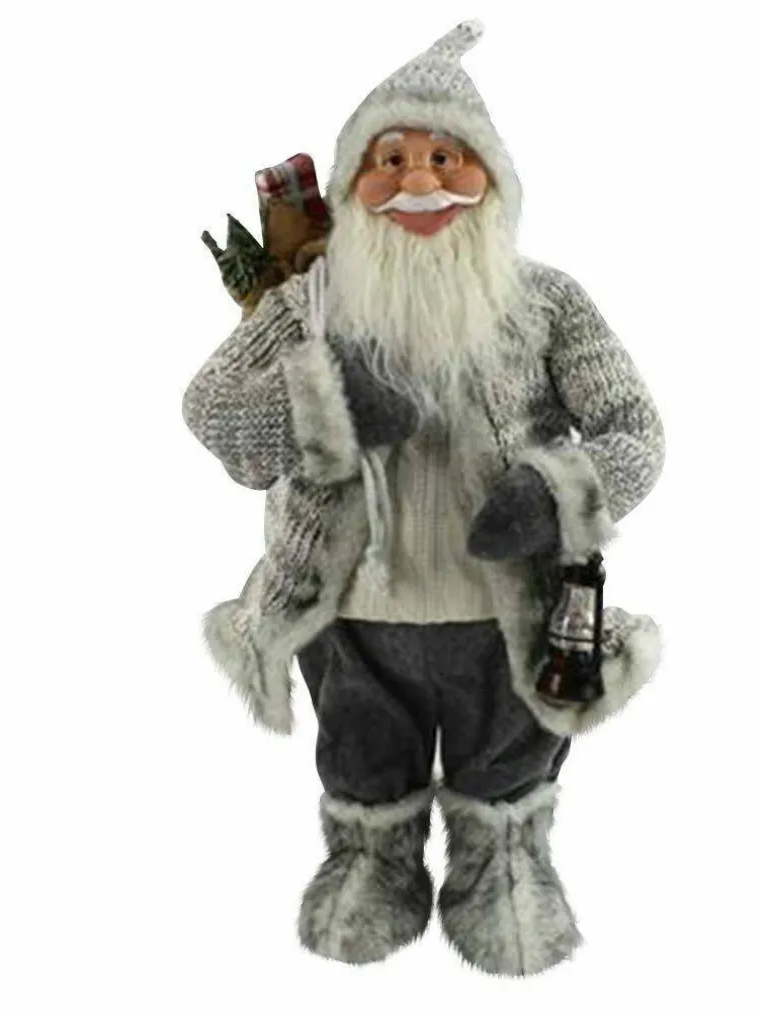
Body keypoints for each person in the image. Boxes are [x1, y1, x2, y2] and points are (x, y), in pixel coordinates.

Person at [183, 20, 664, 976]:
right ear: (353, 181)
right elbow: (210, 407)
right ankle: (371, 865)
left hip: (504, 613)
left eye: (445, 157)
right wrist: (322, 406)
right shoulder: (310, 305)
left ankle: (507, 873)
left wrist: (553, 492)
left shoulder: (547, 302)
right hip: (350, 613)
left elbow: (634, 432)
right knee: (363, 756)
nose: (419, 181)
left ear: (492, 175)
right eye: (390, 159)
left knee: (509, 762)